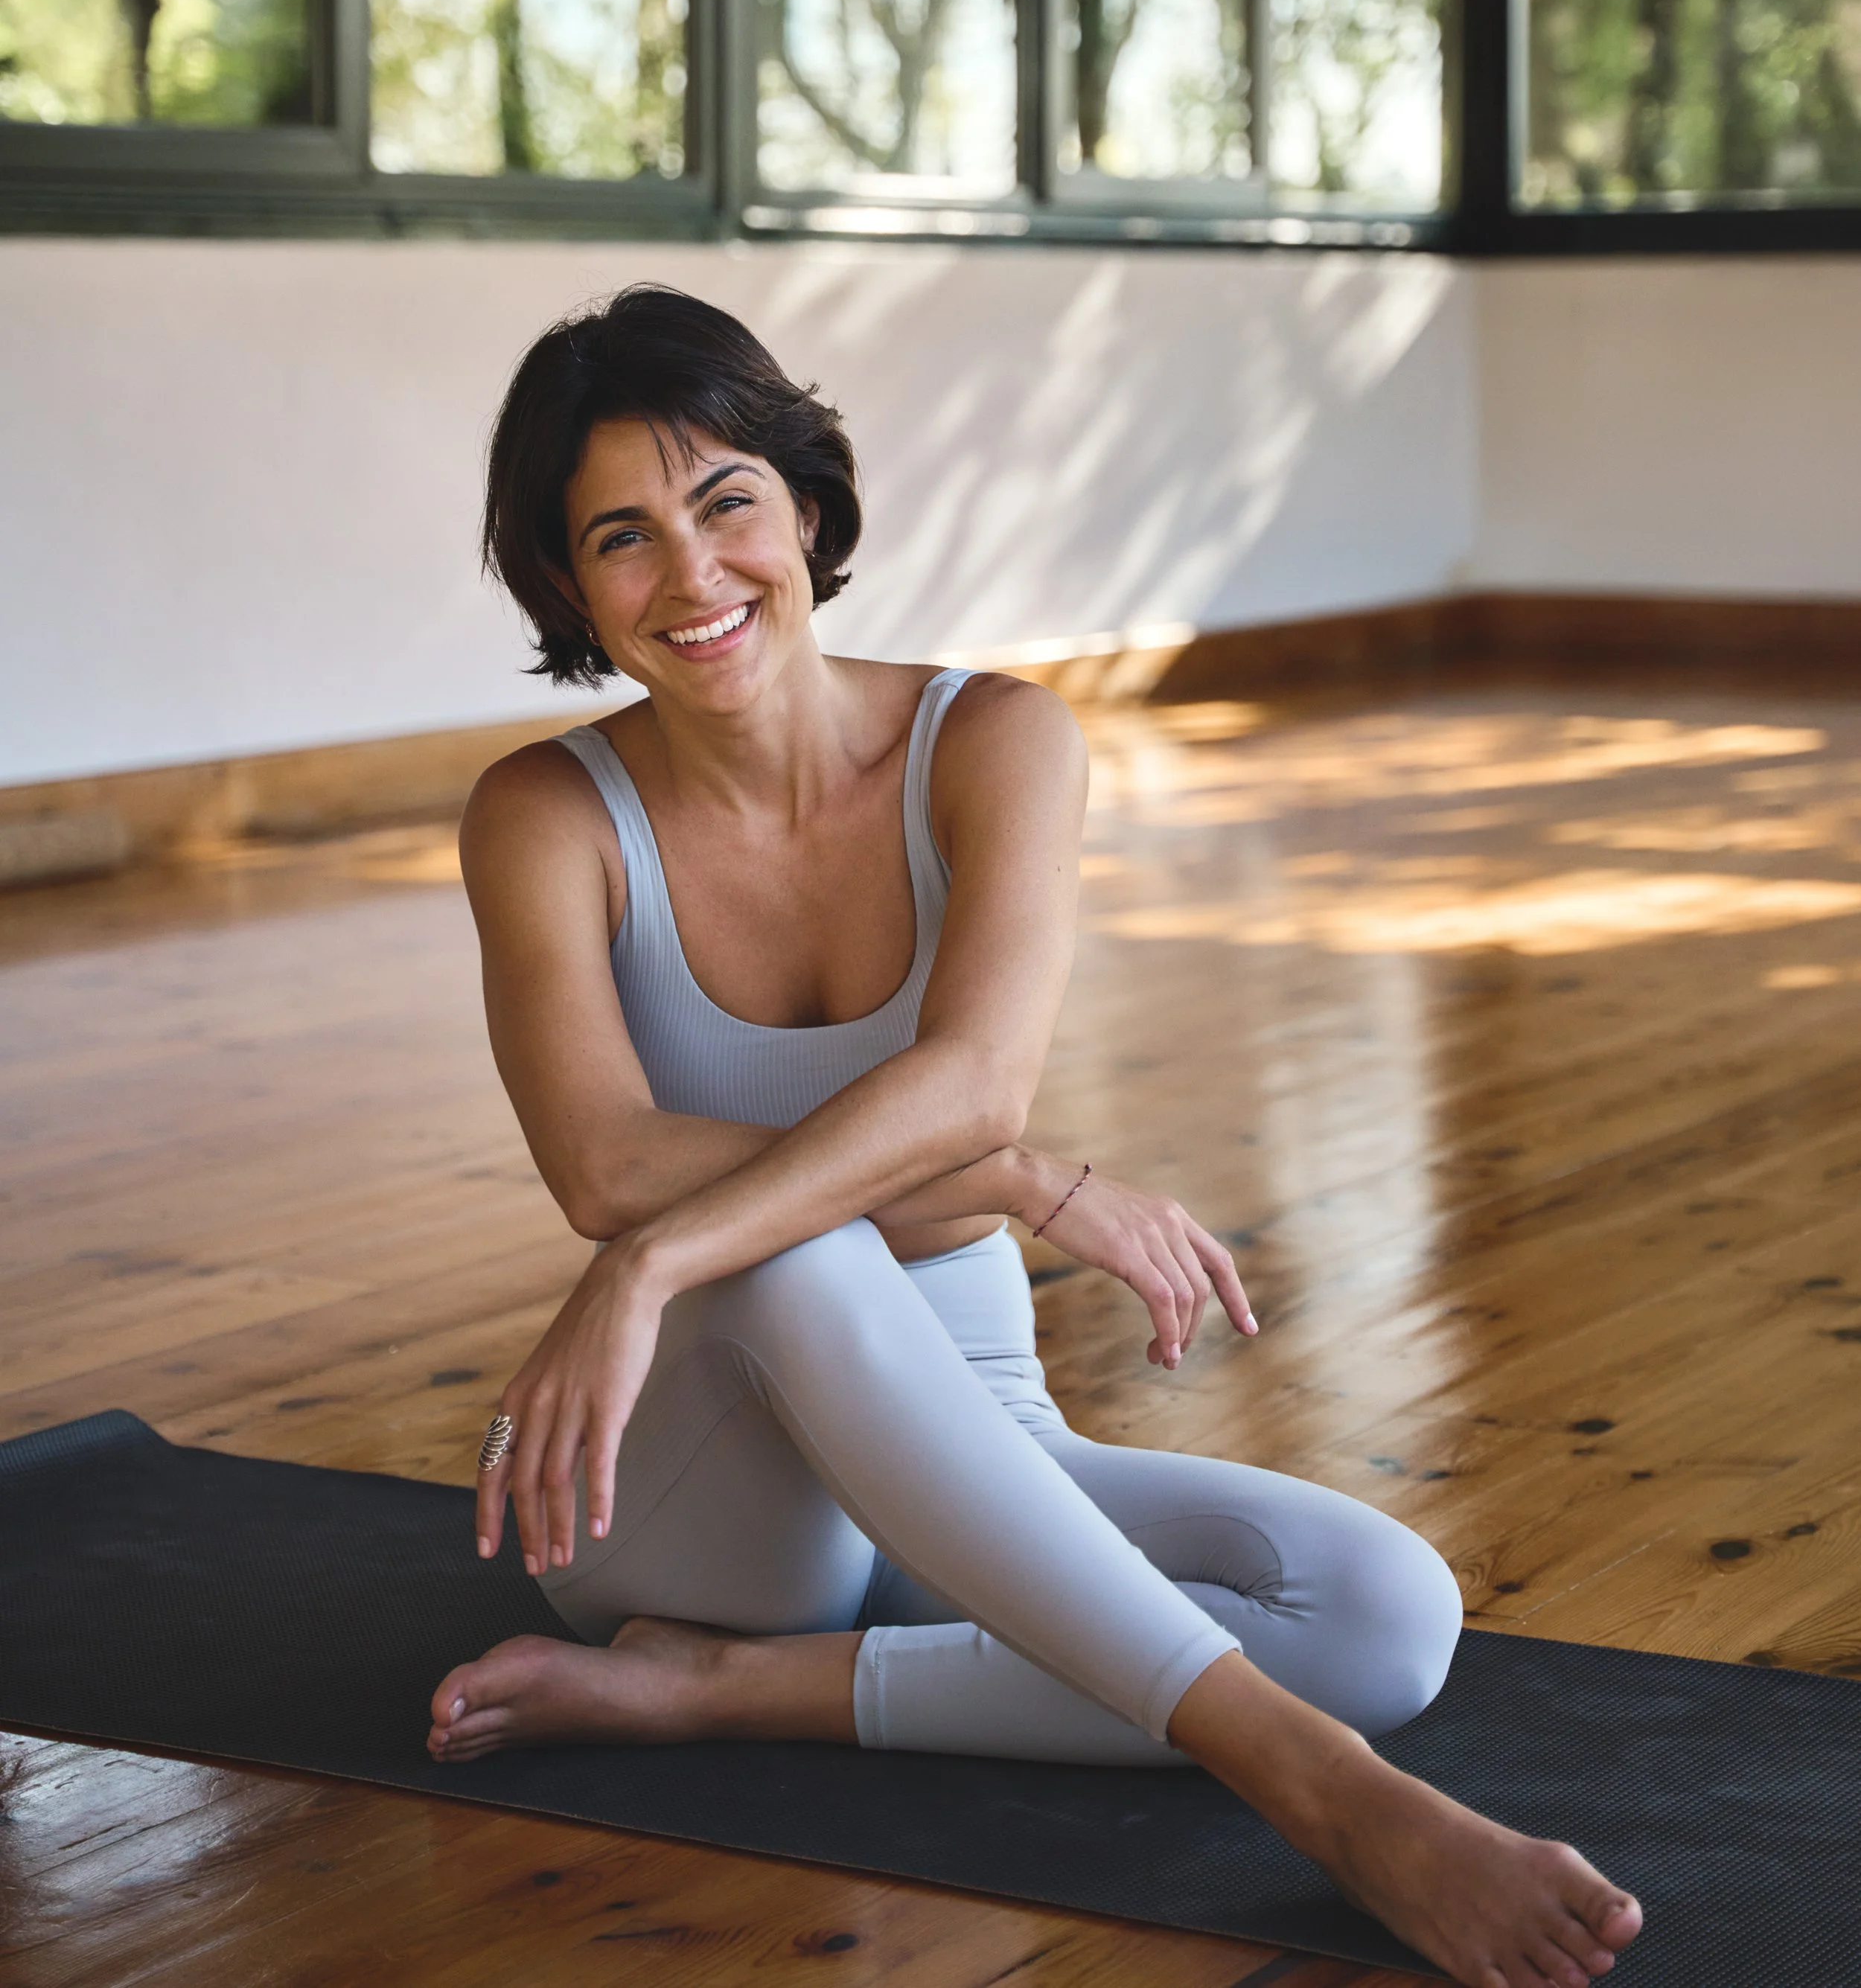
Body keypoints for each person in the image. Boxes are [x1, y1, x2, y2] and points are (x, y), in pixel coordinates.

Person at [428, 285, 1643, 1988]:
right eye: (620, 539)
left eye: (724, 506)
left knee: (1382, 1611)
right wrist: (989, 1190)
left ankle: (712, 1689)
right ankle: (1325, 1793)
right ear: (570, 587)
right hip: (690, 1502)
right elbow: (606, 1169)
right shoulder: (547, 816)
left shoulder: (991, 742)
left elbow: (975, 1079)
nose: (691, 578)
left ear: (805, 506)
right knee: (796, 1251)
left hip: (960, 1412)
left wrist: (727, 1222)